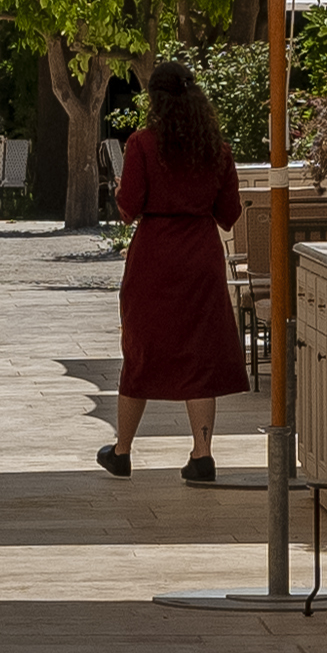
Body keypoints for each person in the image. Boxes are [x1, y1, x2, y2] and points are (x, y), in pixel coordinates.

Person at [101, 57, 250, 481]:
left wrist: (120, 192)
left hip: (155, 255)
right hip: (200, 254)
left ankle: (122, 450)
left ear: (155, 100)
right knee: (199, 354)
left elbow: (129, 206)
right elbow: (229, 213)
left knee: (142, 350)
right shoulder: (216, 149)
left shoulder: (143, 144)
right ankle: (202, 454)